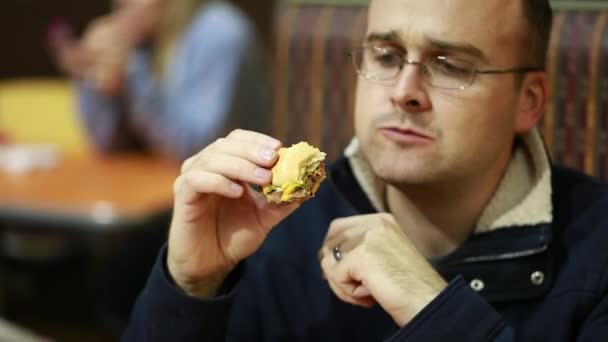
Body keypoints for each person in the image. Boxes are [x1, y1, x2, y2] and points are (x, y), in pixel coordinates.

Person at [123, 0, 608, 340]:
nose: (404, 90)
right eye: (386, 56)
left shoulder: (597, 253)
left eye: (452, 65)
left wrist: (432, 309)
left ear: (529, 101)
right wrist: (189, 290)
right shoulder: (269, 227)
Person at [50, 0, 269, 161]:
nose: (121, 3)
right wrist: (96, 80)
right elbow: (106, 145)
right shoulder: (138, 37)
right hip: (151, 195)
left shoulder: (220, 31)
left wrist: (131, 69)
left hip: (236, 203)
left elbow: (195, 150)